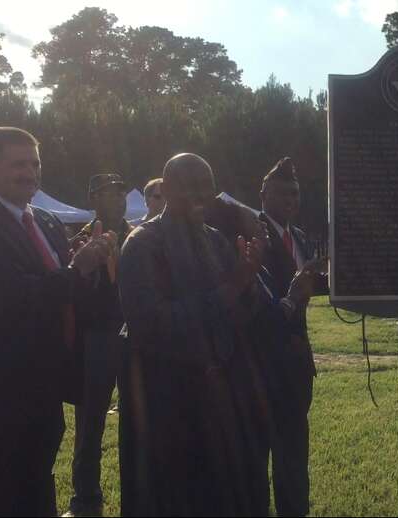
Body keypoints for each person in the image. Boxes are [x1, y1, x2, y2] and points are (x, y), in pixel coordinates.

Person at [116, 153, 269, 516]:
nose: (202, 196)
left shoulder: (215, 240)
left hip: (217, 396)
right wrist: (229, 290)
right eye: (191, 187)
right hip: (165, 399)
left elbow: (243, 315)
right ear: (166, 189)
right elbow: (150, 323)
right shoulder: (142, 244)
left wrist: (248, 285)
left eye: (207, 188)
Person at [0, 127, 114, 516]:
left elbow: (67, 297)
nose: (30, 172)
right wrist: (78, 268)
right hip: (0, 393)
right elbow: (13, 297)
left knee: (39, 480)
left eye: (35, 163)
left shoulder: (48, 223)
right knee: (2, 488)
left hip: (47, 386)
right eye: (18, 164)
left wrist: (98, 270)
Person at [257, 157, 325, 517]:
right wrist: (293, 291)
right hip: (262, 364)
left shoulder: (298, 237)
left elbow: (312, 285)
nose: (291, 200)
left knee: (294, 456)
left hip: (298, 364)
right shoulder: (252, 234)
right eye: (283, 192)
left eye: (296, 194)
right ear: (263, 193)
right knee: (258, 458)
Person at [64, 174, 135, 517]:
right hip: (97, 338)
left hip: (136, 335)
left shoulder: (138, 235)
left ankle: (137, 493)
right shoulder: (79, 239)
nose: (118, 199)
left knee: (138, 419)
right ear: (93, 199)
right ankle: (86, 498)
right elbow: (72, 293)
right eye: (109, 194)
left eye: (121, 193)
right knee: (90, 423)